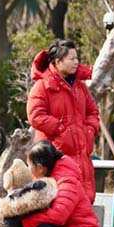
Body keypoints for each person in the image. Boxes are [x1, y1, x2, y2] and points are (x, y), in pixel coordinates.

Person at [27, 39, 100, 202]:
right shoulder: (42, 86)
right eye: (72, 59)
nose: (77, 62)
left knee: (83, 207)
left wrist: (89, 130)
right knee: (59, 204)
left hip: (82, 157)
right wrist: (61, 130)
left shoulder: (80, 86)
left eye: (77, 58)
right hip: (54, 157)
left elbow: (93, 112)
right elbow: (35, 116)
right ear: (58, 62)